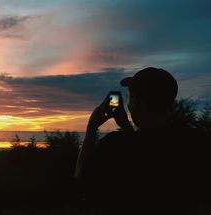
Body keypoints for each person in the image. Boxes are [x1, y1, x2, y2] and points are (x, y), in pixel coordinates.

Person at [75, 67, 209, 214]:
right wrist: (126, 125)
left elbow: (82, 179)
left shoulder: (115, 146)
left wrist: (92, 126)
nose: (129, 104)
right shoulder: (195, 143)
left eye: (130, 98)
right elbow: (146, 149)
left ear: (138, 103)